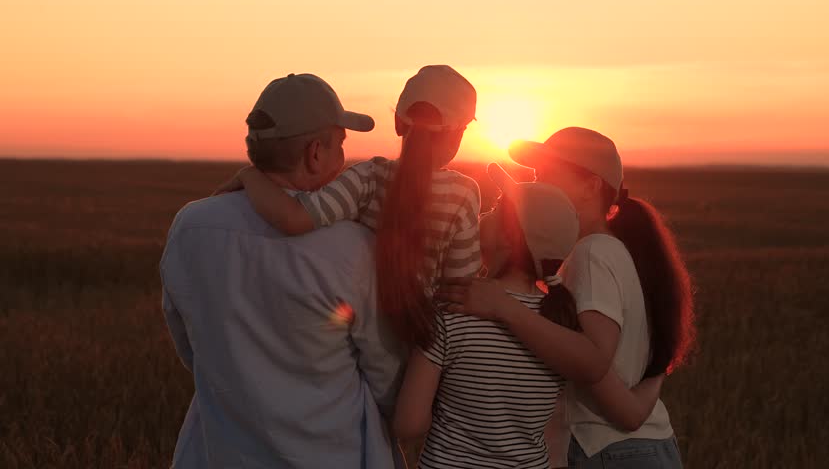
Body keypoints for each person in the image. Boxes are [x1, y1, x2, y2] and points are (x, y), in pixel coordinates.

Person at [160, 73, 406, 469]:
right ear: (315, 154)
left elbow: (190, 346)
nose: (344, 159)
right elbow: (387, 376)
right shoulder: (353, 248)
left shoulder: (190, 227)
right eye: (340, 144)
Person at [439, 127, 696, 468]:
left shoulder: (591, 253)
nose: (536, 185)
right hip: (635, 447)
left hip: (609, 450)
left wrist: (503, 308)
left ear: (590, 187)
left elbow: (594, 359)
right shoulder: (614, 250)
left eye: (546, 175)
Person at [394, 168, 665, 469]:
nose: (484, 214)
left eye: (496, 209)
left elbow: (409, 424)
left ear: (510, 236)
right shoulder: (559, 323)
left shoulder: (453, 309)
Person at [214, 65, 482, 349]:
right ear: (457, 133)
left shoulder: (367, 176)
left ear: (398, 123)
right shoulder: (463, 194)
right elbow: (461, 289)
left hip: (367, 335)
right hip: (425, 342)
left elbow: (295, 218)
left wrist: (250, 176)